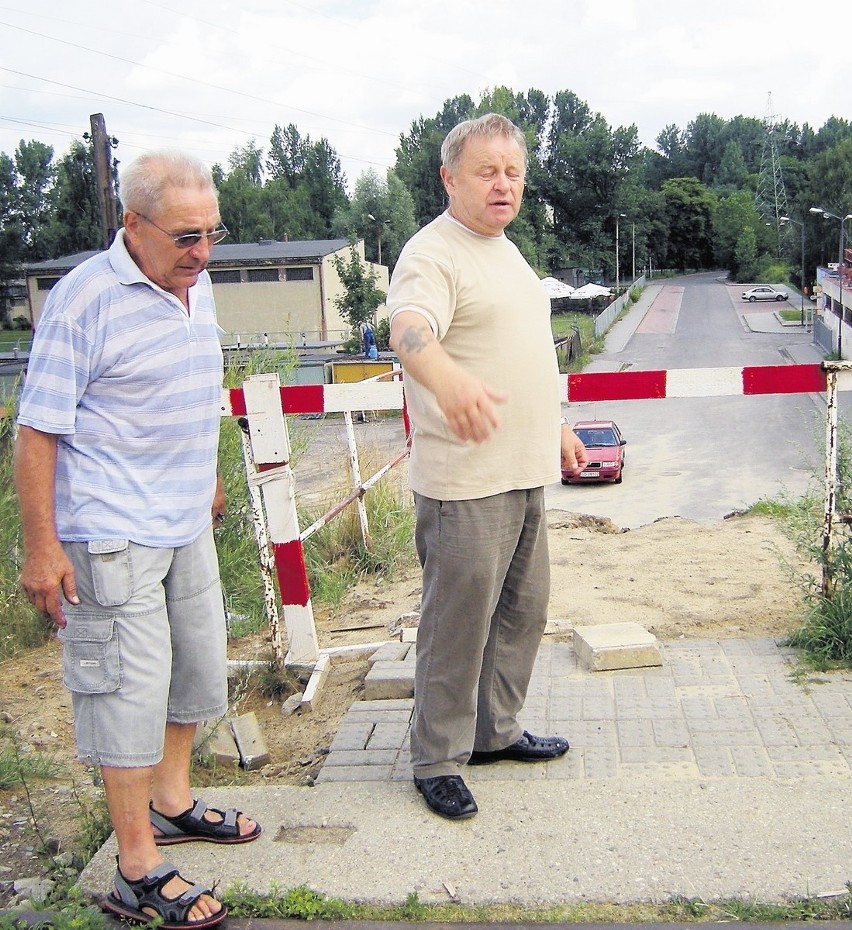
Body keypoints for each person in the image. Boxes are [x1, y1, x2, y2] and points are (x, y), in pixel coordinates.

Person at [14, 150, 261, 927]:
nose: (202, 252)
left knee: (195, 666)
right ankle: (135, 867)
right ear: (133, 224)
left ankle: (172, 800)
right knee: (126, 690)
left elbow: (202, 381)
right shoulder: (85, 300)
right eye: (186, 236)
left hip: (185, 517)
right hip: (110, 531)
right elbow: (36, 428)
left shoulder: (196, 283)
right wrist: (42, 548)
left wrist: (213, 471)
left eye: (212, 234)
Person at [387, 114, 588, 820]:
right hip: (465, 482)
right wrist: (448, 381)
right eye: (486, 171)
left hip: (523, 468)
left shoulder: (505, 249)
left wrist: (555, 424)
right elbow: (409, 329)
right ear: (449, 178)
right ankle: (436, 758)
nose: (503, 184)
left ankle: (494, 733)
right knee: (458, 625)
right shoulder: (433, 252)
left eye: (512, 171)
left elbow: (520, 346)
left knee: (521, 615)